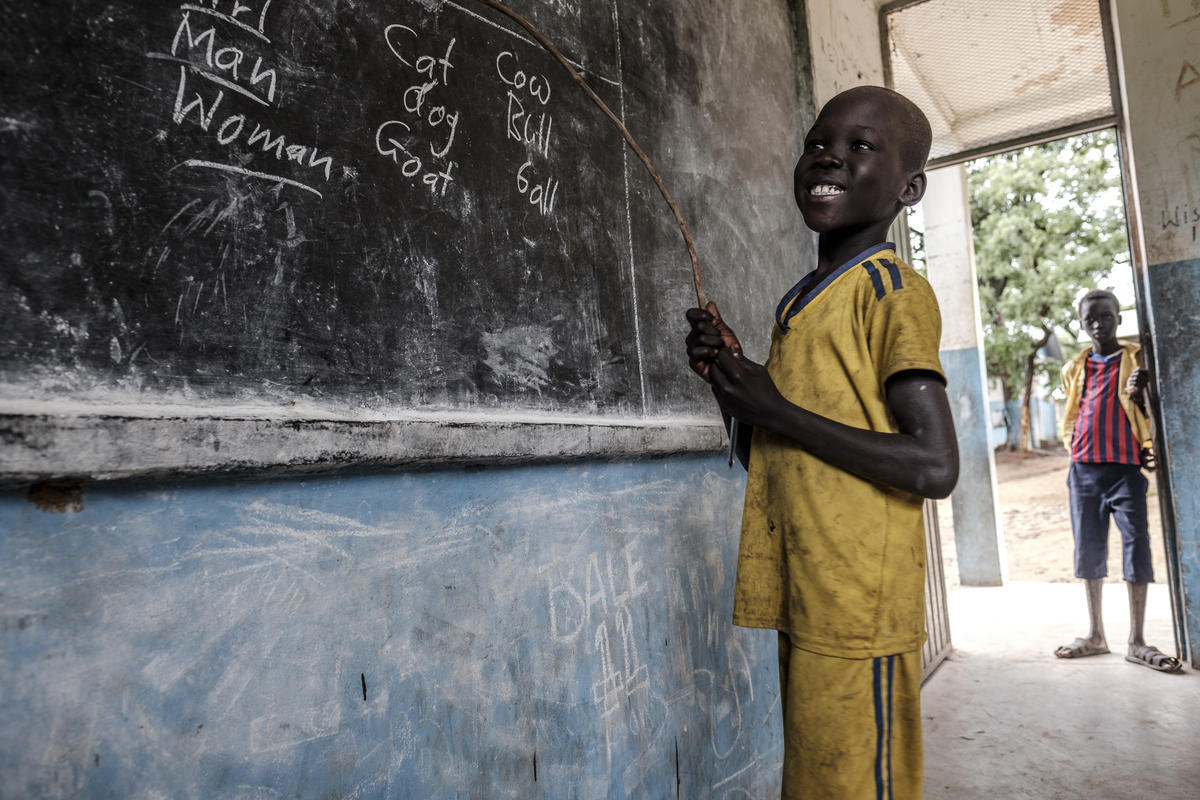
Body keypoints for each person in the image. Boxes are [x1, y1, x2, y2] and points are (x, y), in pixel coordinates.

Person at [684, 86, 959, 799]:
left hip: (858, 603)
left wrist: (777, 410)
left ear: (909, 186)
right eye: (816, 143)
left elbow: (934, 465)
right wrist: (735, 387)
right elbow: (771, 458)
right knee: (815, 781)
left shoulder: (893, 291)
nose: (828, 156)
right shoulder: (800, 300)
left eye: (861, 146)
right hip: (810, 591)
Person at [1053, 289, 1182, 673]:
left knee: (1136, 545)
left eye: (1105, 316)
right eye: (1090, 318)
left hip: (1126, 469)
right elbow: (1076, 410)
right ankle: (1095, 634)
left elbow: (1149, 410)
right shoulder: (1076, 366)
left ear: (1118, 319)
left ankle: (1136, 640)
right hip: (1083, 470)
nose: (1098, 324)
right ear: (1081, 324)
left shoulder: (1137, 361)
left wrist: (1142, 393)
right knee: (1088, 549)